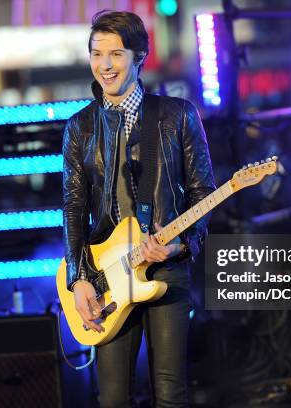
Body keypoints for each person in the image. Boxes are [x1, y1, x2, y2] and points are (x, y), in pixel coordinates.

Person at [62, 10, 215, 408]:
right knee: (113, 398)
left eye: (115, 54)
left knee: (170, 392)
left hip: (166, 266)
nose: (105, 65)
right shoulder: (80, 127)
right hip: (107, 274)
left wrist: (180, 245)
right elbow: (74, 206)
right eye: (97, 54)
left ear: (139, 56)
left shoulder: (176, 115)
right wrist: (79, 278)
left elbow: (203, 193)